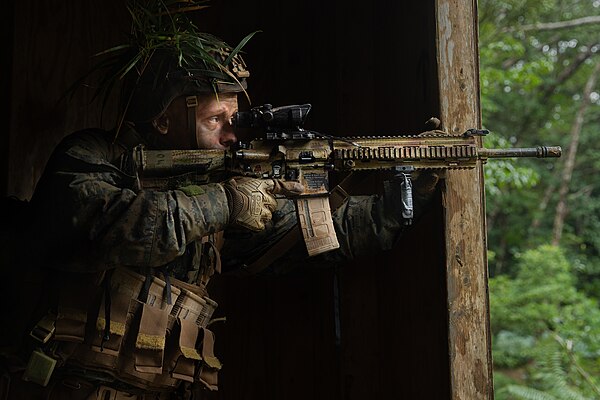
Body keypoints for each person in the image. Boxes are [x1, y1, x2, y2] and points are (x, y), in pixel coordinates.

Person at [0, 5, 439, 400]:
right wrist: (226, 201)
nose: (231, 134)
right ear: (163, 119)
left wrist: (406, 194)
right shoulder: (92, 156)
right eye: (215, 119)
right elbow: (116, 228)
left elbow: (319, 235)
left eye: (235, 119)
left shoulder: (222, 187)